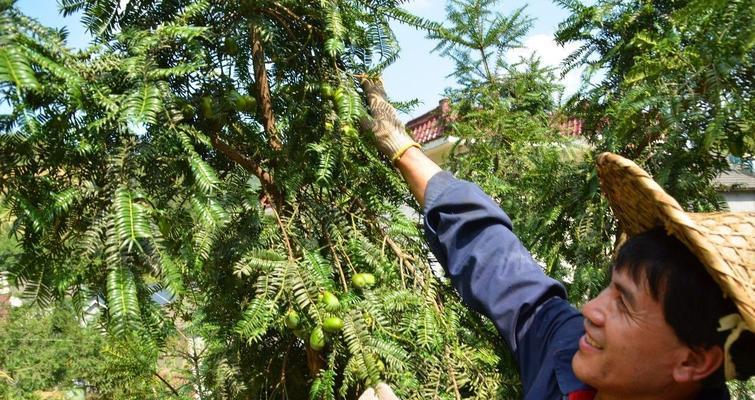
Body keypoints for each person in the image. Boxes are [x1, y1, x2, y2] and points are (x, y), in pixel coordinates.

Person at [357, 78, 754, 400]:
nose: (592, 309)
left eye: (626, 305)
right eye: (609, 289)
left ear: (695, 362)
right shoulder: (568, 348)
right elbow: (502, 266)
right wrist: (403, 149)